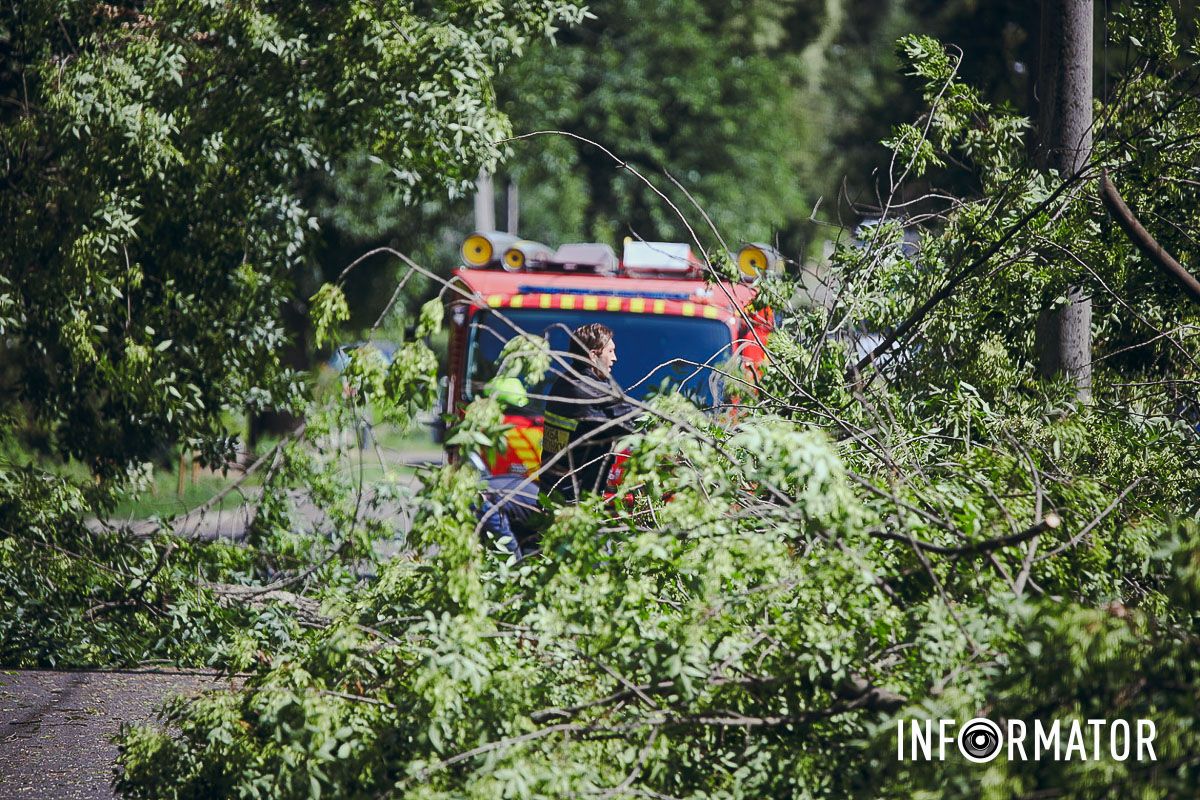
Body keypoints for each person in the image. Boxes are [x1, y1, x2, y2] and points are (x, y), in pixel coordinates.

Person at [538, 322, 636, 504]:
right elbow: (636, 424)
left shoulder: (563, 383)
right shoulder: (593, 392)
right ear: (593, 355)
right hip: (575, 503)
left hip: (551, 496)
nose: (615, 358)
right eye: (610, 351)